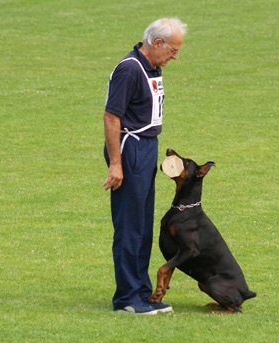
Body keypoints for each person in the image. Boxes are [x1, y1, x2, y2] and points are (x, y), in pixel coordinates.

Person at [103, 18, 187, 314]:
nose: (175, 56)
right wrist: (116, 164)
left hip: (146, 146)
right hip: (130, 149)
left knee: (143, 227)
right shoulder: (129, 69)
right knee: (130, 227)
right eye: (173, 50)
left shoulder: (153, 67)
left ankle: (140, 291)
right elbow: (112, 117)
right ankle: (126, 298)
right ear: (157, 43)